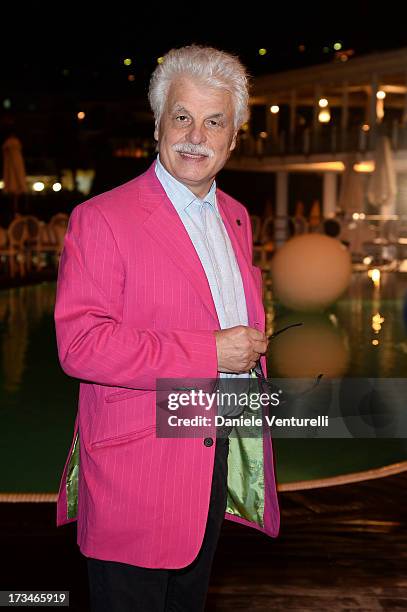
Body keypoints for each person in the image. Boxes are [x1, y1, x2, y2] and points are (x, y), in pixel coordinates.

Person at [54, 45, 280, 611]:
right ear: (158, 123)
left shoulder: (235, 215)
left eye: (214, 122)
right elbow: (81, 346)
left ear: (234, 137)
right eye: (182, 117)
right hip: (137, 472)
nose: (195, 136)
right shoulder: (103, 218)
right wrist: (211, 351)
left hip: (212, 451)